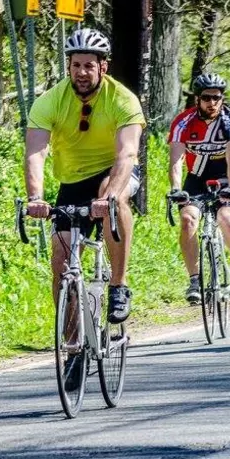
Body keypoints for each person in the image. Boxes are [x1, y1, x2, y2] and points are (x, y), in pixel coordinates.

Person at [24, 28, 145, 331]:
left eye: (89, 65)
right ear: (68, 67)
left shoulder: (122, 99)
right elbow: (35, 152)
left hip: (115, 173)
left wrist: (109, 197)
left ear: (103, 67)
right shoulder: (50, 101)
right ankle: (71, 344)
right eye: (76, 65)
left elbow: (127, 153)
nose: (81, 72)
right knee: (60, 261)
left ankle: (118, 285)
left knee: (111, 197)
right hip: (73, 183)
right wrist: (36, 197)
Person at [167, 73, 230, 303]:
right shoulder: (183, 122)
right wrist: (176, 188)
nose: (211, 103)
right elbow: (175, 160)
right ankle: (194, 280)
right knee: (188, 220)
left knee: (227, 218)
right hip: (197, 177)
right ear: (197, 99)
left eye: (216, 97)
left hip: (225, 176)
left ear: (222, 98)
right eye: (206, 98)